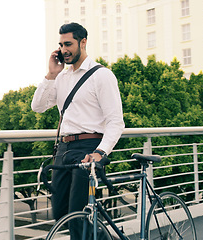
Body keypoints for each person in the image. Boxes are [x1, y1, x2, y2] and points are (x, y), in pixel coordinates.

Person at [31, 22, 125, 223]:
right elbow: (37, 106)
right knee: (60, 214)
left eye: (68, 44)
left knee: (78, 215)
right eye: (61, 45)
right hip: (63, 149)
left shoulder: (102, 75)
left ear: (83, 42)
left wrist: (100, 152)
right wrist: (51, 74)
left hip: (88, 148)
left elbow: (116, 121)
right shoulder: (62, 77)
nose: (64, 50)